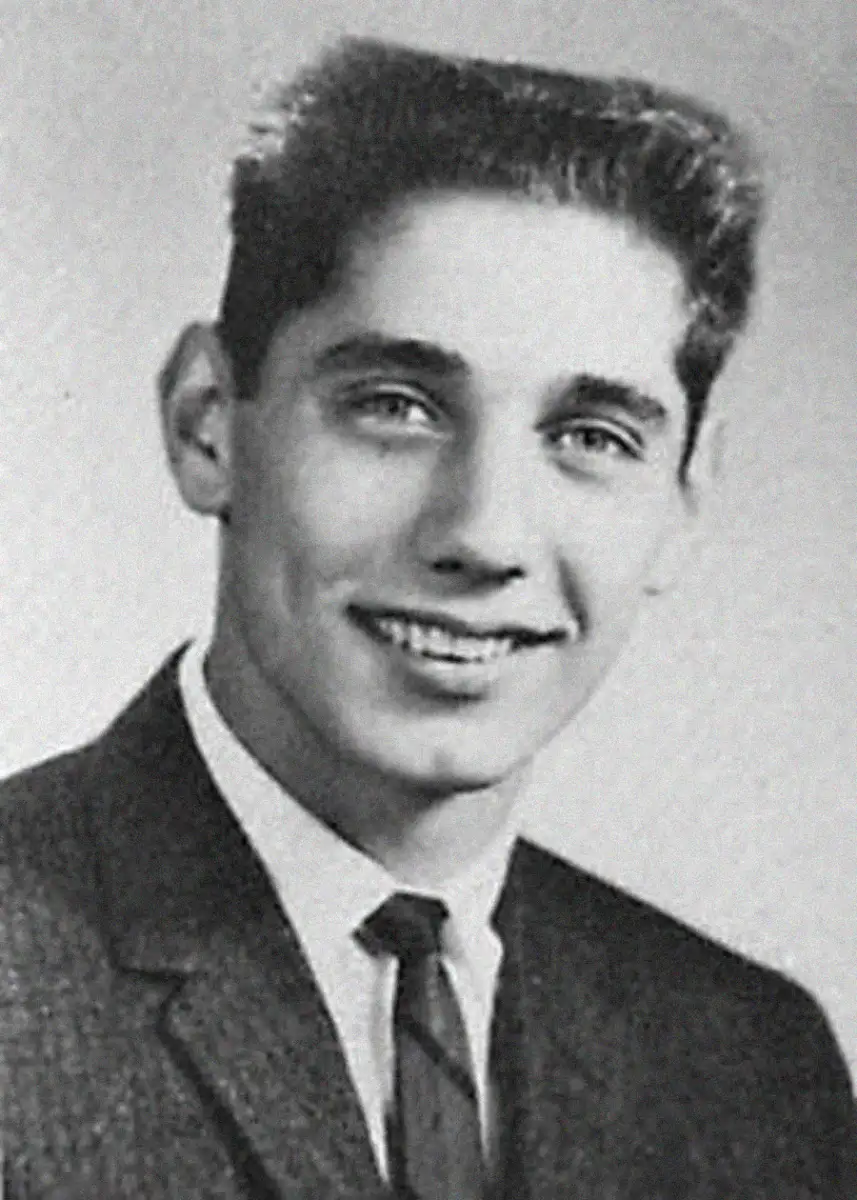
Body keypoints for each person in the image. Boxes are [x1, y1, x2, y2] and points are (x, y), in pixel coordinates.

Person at [1, 37, 854, 1200]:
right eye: (395, 406)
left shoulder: (753, 1064)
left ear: (682, 501)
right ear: (209, 425)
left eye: (590, 436)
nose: (485, 534)